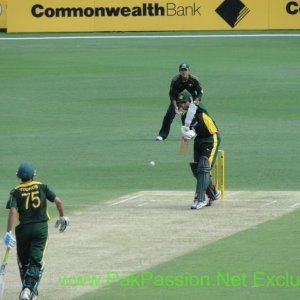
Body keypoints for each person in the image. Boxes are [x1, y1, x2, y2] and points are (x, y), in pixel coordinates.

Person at [3, 163, 70, 300]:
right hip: (40, 228)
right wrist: (62, 217)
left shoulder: (15, 191)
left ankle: (28, 291)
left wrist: (8, 232)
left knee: (23, 263)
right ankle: (28, 289)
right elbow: (58, 202)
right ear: (33, 175)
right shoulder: (42, 186)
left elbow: (12, 211)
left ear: (19, 177)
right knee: (35, 262)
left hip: (22, 230)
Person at [178, 91, 221, 209]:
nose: (182, 105)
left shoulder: (197, 107)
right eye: (180, 103)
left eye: (184, 102)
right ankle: (213, 193)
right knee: (197, 169)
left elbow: (193, 107)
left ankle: (199, 199)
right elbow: (190, 131)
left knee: (203, 166)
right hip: (199, 140)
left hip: (211, 137)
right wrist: (186, 136)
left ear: (190, 100)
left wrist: (193, 103)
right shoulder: (183, 116)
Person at [156, 63, 203, 141]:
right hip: (179, 99)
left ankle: (191, 132)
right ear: (179, 71)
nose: (183, 72)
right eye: (182, 70)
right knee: (169, 115)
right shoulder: (175, 80)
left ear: (189, 71)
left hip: (192, 99)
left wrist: (195, 102)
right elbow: (172, 94)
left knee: (196, 115)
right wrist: (175, 107)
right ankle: (162, 135)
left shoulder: (194, 80)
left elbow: (200, 92)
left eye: (185, 70)